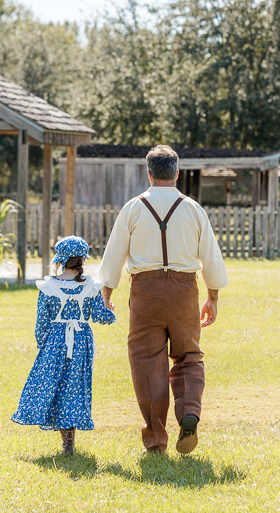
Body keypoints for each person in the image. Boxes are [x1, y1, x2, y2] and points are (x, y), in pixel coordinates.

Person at [97, 145, 229, 455]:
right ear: (177, 173)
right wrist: (212, 296)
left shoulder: (133, 207)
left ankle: (156, 441)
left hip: (145, 292)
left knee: (147, 362)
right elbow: (210, 256)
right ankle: (189, 414)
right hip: (185, 290)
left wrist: (106, 293)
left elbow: (114, 254)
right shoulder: (193, 208)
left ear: (149, 173)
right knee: (188, 356)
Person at [12, 236, 116, 455]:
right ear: (82, 259)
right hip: (81, 341)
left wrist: (45, 345)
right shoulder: (90, 286)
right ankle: (69, 441)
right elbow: (100, 316)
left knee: (55, 386)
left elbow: (41, 323)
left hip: (54, 341)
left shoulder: (49, 286)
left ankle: (64, 441)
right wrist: (111, 312)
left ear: (60, 258)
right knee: (74, 387)